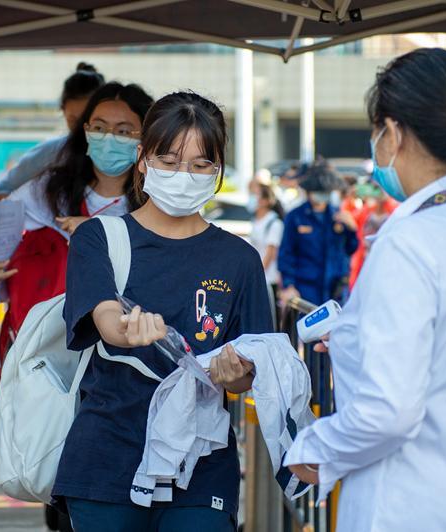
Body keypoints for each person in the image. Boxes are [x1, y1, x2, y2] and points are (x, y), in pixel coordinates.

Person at [284, 48, 446, 532]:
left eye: (377, 132)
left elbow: (387, 412)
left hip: (408, 507)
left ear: (393, 132)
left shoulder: (411, 241)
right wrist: (361, 340)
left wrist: (312, 451)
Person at [55, 91, 274, 531]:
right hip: (107, 462)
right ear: (142, 159)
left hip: (201, 465)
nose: (183, 176)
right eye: (169, 161)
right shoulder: (98, 238)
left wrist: (238, 377)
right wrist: (127, 330)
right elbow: (107, 323)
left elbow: (252, 365)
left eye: (199, 165)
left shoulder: (240, 259)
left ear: (218, 171)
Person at [0, 82, 153, 362]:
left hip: (122, 355)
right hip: (39, 356)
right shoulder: (48, 192)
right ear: (85, 131)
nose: (109, 138)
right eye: (98, 127)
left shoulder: (157, 201)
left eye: (123, 131)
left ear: (145, 138)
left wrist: (98, 232)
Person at [0, 62, 105, 202]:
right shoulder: (52, 152)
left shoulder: (123, 154)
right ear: (63, 111)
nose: (82, 129)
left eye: (87, 120)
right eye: (73, 120)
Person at [277, 162, 358, 306]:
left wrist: (352, 229)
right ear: (309, 192)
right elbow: (286, 253)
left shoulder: (338, 215)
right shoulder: (295, 217)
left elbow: (351, 248)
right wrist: (289, 285)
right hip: (306, 288)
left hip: (335, 288)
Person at [248, 180, 284, 291]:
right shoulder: (256, 220)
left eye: (255, 194)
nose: (252, 198)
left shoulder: (274, 223)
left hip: (267, 280)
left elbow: (270, 253)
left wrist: (256, 276)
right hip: (257, 277)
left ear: (265, 201)